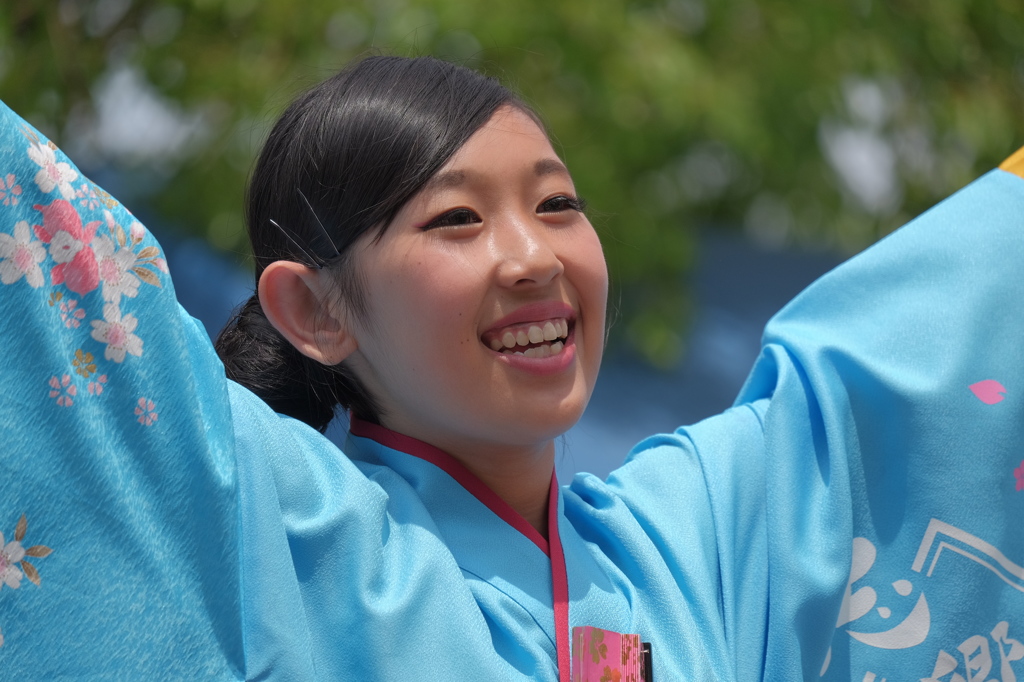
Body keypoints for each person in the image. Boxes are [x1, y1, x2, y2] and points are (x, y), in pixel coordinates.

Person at [0, 55, 1022, 681]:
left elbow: (905, 354)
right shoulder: (269, 524)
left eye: (556, 204)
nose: (533, 255)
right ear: (312, 309)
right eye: (455, 219)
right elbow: (57, 286)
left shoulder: (694, 541)